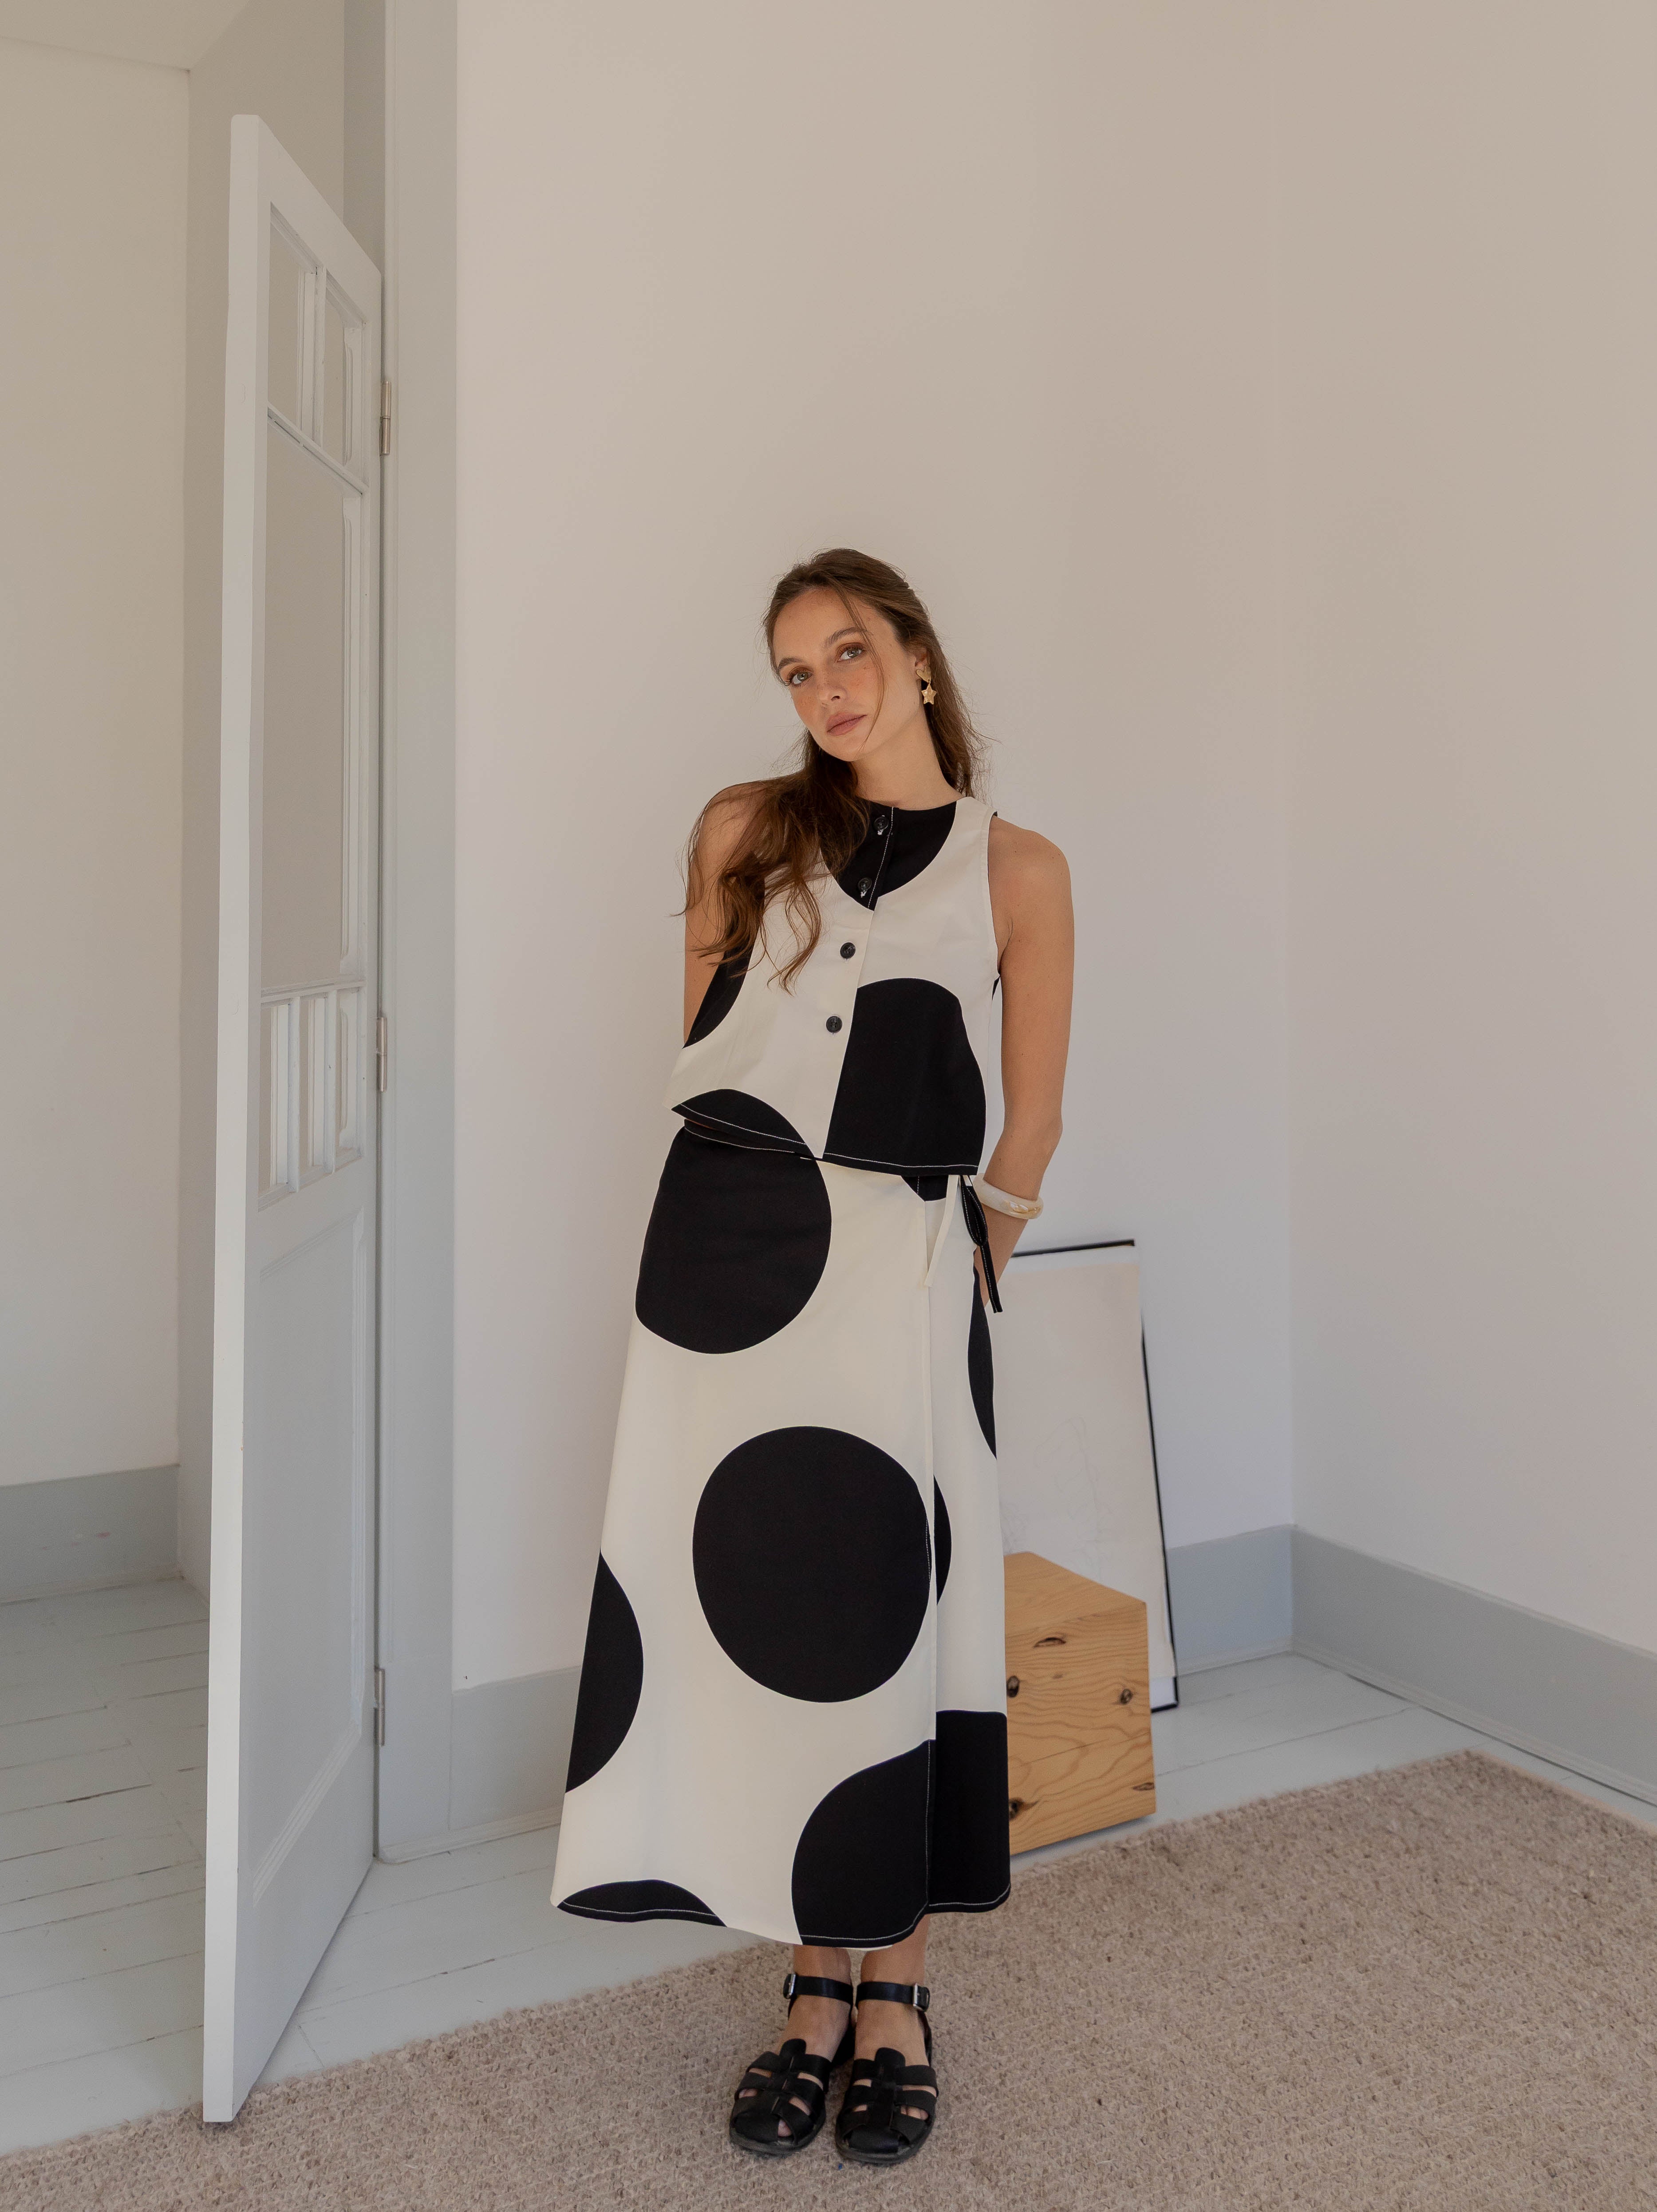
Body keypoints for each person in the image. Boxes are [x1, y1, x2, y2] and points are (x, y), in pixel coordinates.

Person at [550, 547, 1073, 2167]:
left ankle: (894, 1989)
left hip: (903, 1272)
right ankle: (808, 1988)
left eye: (847, 651)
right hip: (728, 1259)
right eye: (795, 669)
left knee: (891, 1615)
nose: (825, 690)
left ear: (916, 653)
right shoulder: (743, 831)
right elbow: (708, 1050)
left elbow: (1034, 1118)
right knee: (764, 1610)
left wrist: (964, 1269)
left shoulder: (1019, 867)